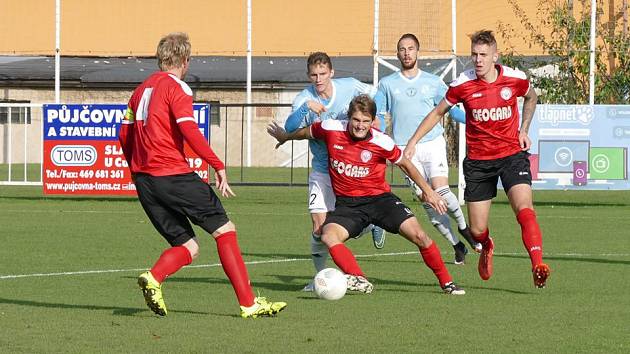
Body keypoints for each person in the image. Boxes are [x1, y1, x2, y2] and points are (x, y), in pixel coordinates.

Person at [118, 32, 287, 317]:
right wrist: (216, 164)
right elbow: (188, 129)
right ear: (186, 60)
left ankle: (154, 277)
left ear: (161, 57)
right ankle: (248, 303)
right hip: (173, 174)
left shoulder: (140, 91)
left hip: (146, 182)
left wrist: (136, 172)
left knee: (188, 246)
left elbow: (124, 135)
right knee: (225, 230)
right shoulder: (178, 88)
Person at [269, 94, 466, 295]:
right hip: (348, 206)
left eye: (365, 121)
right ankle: (359, 278)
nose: (360, 126)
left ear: (372, 122)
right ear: (349, 118)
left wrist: (429, 192)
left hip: (381, 201)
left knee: (420, 236)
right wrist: (286, 137)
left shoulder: (382, 141)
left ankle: (447, 282)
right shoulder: (331, 128)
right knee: (327, 235)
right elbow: (307, 132)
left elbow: (406, 164)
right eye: (356, 120)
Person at [404, 30, 551, 288]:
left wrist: (524, 129)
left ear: (496, 56)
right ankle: (487, 244)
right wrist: (413, 142)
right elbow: (438, 113)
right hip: (479, 163)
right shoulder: (462, 84)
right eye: (474, 55)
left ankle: (537, 263)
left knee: (524, 209)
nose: (478, 60)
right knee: (477, 231)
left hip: (511, 156)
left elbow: (531, 96)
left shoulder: (514, 78)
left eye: (483, 55)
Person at [375, 33, 481, 265]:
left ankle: (464, 228)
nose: (406, 53)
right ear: (397, 54)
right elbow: (379, 115)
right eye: (402, 49)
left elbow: (449, 110)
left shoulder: (433, 82)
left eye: (410, 48)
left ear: (418, 52)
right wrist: (380, 137)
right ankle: (457, 244)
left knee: (442, 192)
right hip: (404, 149)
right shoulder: (387, 84)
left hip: (432, 142)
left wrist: (474, 120)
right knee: (428, 200)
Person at [285, 52, 386, 292]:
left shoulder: (349, 86)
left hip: (348, 169)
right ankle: (321, 278)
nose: (318, 79)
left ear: (332, 72)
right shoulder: (304, 98)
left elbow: (378, 93)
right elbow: (289, 127)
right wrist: (305, 109)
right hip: (322, 170)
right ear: (308, 75)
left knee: (350, 221)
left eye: (322, 74)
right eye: (313, 75)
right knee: (319, 228)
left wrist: (378, 117)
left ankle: (372, 224)